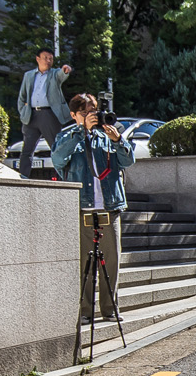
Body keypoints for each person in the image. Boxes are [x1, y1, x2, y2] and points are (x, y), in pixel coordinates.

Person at [51, 93, 136, 316]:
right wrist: (82, 131)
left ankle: (110, 309)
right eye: (85, 112)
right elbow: (58, 160)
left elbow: (128, 161)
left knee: (112, 262)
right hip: (81, 208)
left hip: (110, 207)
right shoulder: (67, 136)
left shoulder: (107, 135)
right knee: (84, 266)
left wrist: (118, 140)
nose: (91, 116)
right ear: (73, 115)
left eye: (93, 111)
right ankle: (86, 310)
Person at [15, 48, 74, 179]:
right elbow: (22, 97)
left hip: (49, 115)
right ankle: (23, 177)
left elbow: (61, 74)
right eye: (45, 58)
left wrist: (65, 70)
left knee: (56, 148)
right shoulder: (29, 75)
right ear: (38, 59)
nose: (48, 61)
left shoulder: (53, 74)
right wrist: (23, 111)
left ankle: (63, 177)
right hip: (31, 115)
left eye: (51, 59)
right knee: (27, 150)